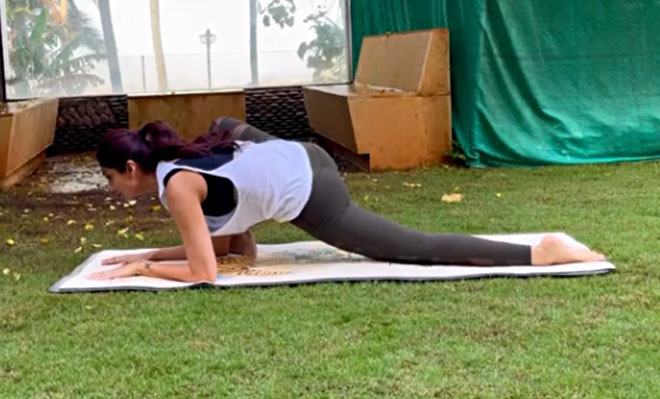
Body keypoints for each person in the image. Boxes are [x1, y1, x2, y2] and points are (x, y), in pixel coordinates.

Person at [90, 118, 605, 282]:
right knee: (226, 126)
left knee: (414, 248)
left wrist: (143, 269)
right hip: (303, 151)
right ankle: (541, 250)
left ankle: (541, 251)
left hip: (317, 193)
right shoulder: (182, 160)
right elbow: (229, 249)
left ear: (131, 169)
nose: (113, 188)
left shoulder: (177, 186)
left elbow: (205, 272)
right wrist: (147, 253)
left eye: (111, 178)